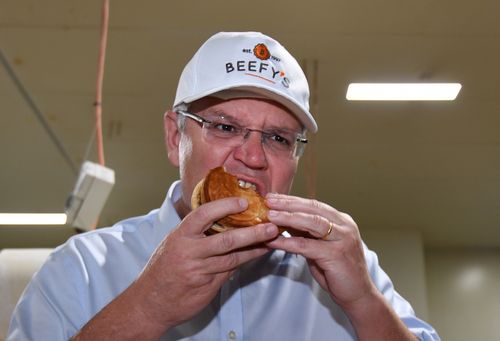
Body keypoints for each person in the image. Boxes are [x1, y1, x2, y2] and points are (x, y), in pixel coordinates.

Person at [8, 31, 440, 341]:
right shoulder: (81, 270)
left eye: (277, 139)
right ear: (176, 137)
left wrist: (364, 304)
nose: (252, 157)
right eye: (225, 127)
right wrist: (146, 309)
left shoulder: (348, 268)